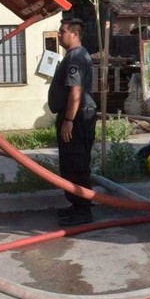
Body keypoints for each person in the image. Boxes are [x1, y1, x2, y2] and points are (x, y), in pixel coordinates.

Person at [47, 18, 97, 226]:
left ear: (74, 34)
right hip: (76, 116)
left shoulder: (76, 56)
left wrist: (68, 120)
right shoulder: (73, 55)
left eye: (62, 31)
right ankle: (76, 206)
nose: (59, 34)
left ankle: (83, 211)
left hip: (77, 118)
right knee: (71, 164)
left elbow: (76, 91)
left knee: (76, 163)